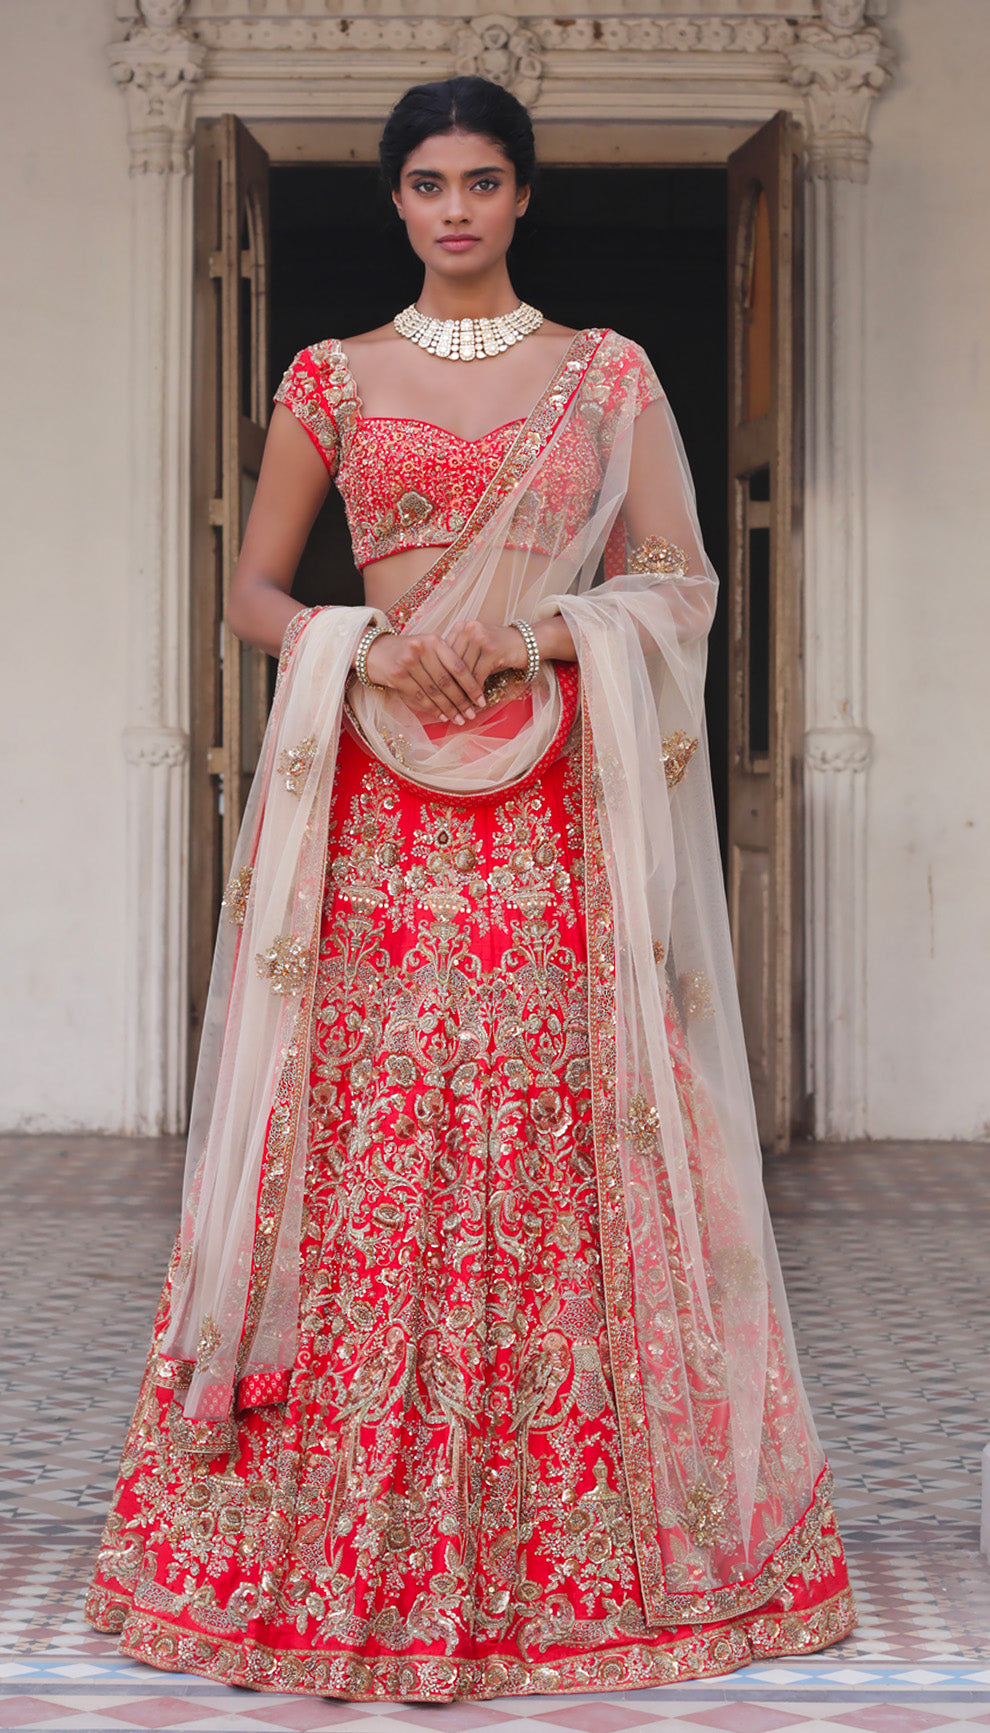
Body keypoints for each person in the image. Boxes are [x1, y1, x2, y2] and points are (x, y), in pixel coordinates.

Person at [86, 76, 855, 1702]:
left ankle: (559, 1537)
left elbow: (675, 580)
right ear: (393, 201)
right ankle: (336, 1528)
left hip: (544, 806)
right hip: (372, 803)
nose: (454, 207)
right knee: (369, 1135)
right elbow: (251, 581)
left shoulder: (604, 376)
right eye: (427, 181)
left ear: (521, 198)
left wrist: (523, 633)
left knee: (545, 1132)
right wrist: (345, 646)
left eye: (482, 180)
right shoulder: (329, 376)